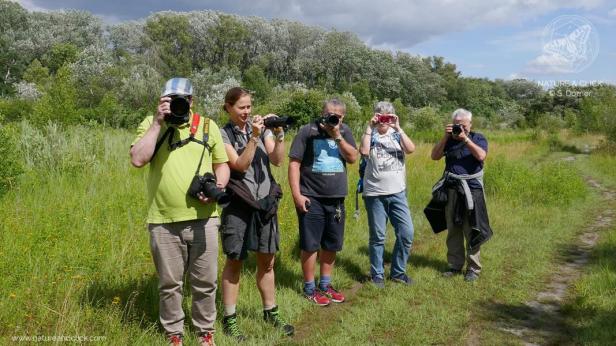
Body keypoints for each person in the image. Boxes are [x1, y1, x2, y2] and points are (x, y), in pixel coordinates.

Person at [130, 78, 229, 346]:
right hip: (163, 220)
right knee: (169, 284)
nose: (177, 103)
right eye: (170, 98)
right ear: (162, 100)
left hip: (204, 219)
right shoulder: (151, 124)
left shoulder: (209, 126)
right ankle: (174, 334)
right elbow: (138, 159)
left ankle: (205, 333)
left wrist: (217, 187)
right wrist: (156, 123)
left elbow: (222, 165)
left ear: (192, 101)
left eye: (181, 99)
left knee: (205, 282)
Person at [219, 87, 294, 340]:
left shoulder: (259, 129)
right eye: (241, 107)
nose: (247, 112)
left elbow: (277, 160)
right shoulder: (223, 133)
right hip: (238, 204)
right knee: (235, 260)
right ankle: (230, 319)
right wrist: (253, 137)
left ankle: (270, 312)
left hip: (265, 203)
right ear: (228, 107)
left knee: (268, 261)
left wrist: (279, 134)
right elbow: (239, 165)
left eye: (249, 106)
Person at [288, 98, 358, 306]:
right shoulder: (307, 131)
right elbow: (293, 164)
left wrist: (337, 136)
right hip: (312, 196)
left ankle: (325, 285)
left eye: (337, 115)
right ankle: (309, 288)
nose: (332, 117)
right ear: (322, 112)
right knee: (310, 245)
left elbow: (353, 158)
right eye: (329, 113)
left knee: (331, 244)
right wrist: (297, 195)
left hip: (336, 198)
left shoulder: (344, 131)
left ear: (343, 117)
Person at [430, 108, 491, 282]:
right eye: (456, 125)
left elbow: (481, 155)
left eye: (463, 125)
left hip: (472, 189)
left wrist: (465, 139)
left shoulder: (478, 138)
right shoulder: (449, 140)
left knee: (472, 229)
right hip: (452, 188)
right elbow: (434, 156)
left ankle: (473, 269)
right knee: (453, 229)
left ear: (470, 124)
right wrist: (445, 137)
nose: (459, 128)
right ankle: (455, 266)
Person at [359, 101, 416, 288]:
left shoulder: (396, 135)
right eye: (380, 115)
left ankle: (398, 273)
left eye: (387, 116)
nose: (383, 120)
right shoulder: (371, 134)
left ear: (393, 117)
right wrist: (370, 126)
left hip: (398, 193)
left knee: (406, 233)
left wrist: (398, 127)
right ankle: (377, 275)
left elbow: (411, 149)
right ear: (375, 116)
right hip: (375, 194)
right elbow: (364, 151)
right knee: (378, 237)